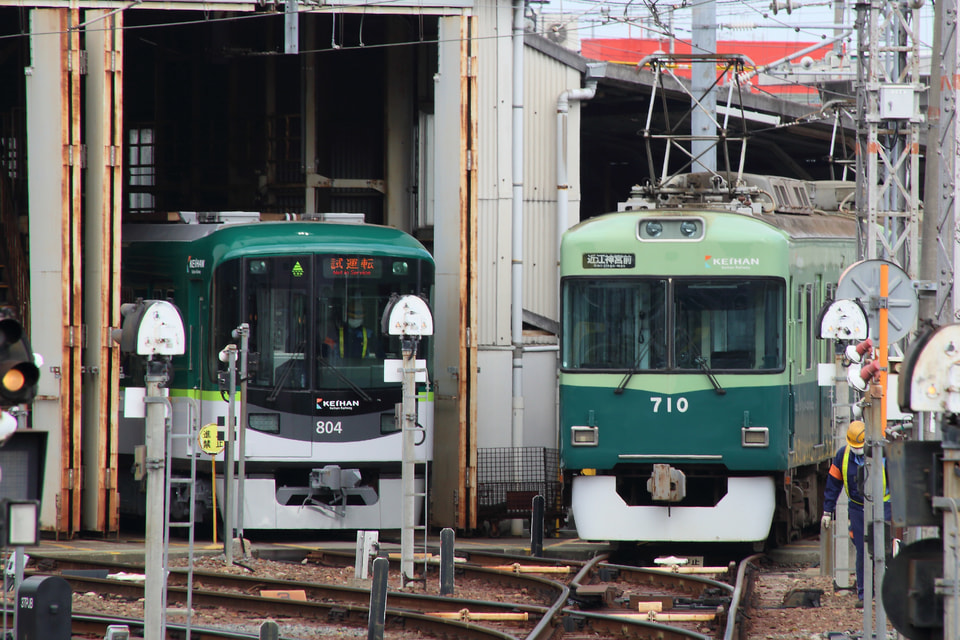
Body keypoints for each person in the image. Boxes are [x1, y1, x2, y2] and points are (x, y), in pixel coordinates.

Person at [821, 420, 891, 608]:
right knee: (863, 552)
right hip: (858, 508)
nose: (858, 450)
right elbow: (833, 484)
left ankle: (887, 593)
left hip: (883, 507)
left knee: (884, 550)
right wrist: (827, 510)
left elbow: (897, 482)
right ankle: (865, 595)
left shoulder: (884, 452)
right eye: (855, 447)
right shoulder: (843, 456)